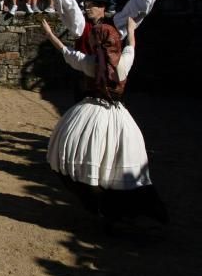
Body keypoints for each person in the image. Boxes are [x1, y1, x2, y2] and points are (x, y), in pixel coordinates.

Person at [41, 12, 166, 225]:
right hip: (118, 114)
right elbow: (131, 44)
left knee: (83, 152)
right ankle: (119, 206)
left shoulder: (89, 63)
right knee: (120, 156)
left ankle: (99, 202)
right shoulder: (124, 62)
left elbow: (64, 51)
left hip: (91, 113)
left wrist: (50, 33)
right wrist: (132, 28)